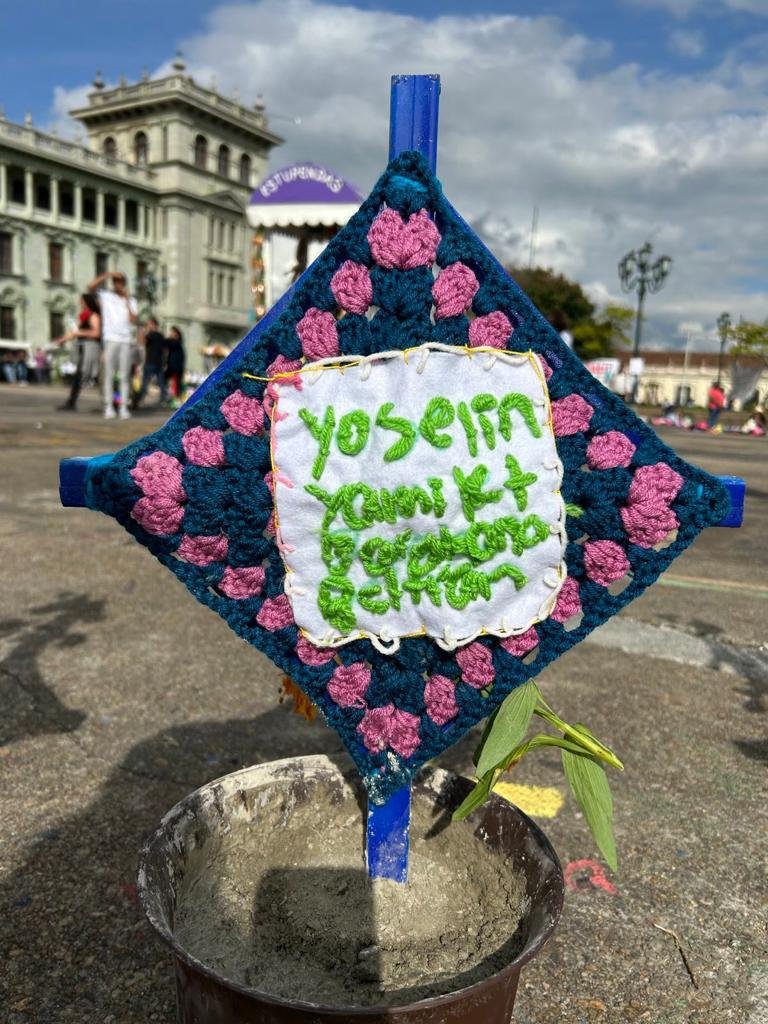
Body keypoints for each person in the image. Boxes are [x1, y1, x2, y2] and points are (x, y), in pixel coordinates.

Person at [88, 270, 138, 420]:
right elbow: (90, 287)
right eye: (115, 281)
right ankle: (108, 406)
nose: (118, 284)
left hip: (126, 340)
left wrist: (128, 300)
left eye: (120, 281)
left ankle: (123, 407)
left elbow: (133, 319)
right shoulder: (106, 296)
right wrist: (108, 274)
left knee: (124, 375)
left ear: (124, 283)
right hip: (110, 338)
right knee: (108, 374)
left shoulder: (131, 300)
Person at [54, 294, 102, 411]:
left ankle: (114, 401)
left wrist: (79, 333)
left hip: (91, 348)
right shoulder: (84, 317)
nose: (80, 303)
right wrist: (62, 339)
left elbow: (96, 333)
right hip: (82, 348)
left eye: (82, 301)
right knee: (80, 376)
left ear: (87, 302)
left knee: (94, 376)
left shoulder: (94, 316)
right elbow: (74, 332)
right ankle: (71, 402)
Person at [134, 316, 167, 408]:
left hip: (150, 362)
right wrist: (164, 362)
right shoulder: (161, 336)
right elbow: (164, 350)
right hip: (159, 363)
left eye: (149, 324)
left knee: (145, 383)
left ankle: (140, 400)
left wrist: (143, 331)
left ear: (153, 325)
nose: (148, 326)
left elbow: (141, 342)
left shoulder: (150, 335)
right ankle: (163, 400)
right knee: (161, 383)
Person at [164, 326, 186, 408]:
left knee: (176, 385)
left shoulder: (176, 343)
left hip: (175, 368)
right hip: (173, 367)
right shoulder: (177, 343)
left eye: (172, 332)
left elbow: (166, 343)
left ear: (176, 334)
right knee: (172, 383)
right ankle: (172, 399)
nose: (170, 334)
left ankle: (176, 401)